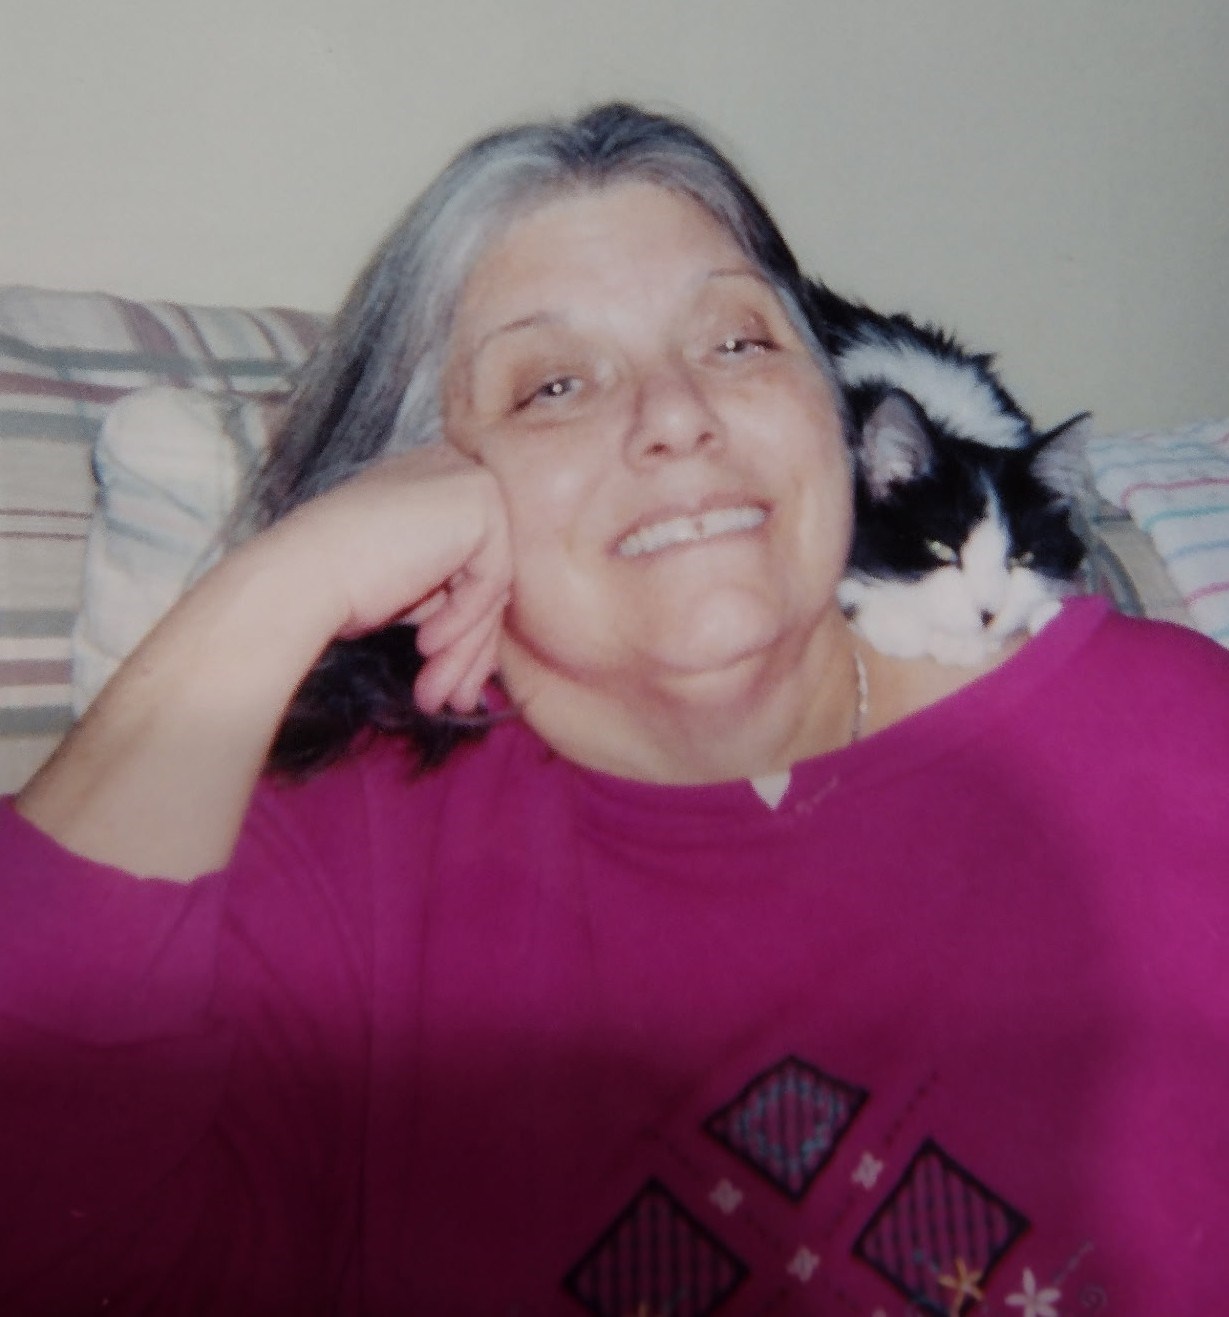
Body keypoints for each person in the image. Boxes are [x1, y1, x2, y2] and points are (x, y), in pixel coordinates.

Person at [2, 103, 1227, 1316]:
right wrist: (285, 584)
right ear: (426, 472)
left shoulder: (1165, 728)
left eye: (737, 343)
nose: (677, 413)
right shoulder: (324, 865)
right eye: (553, 386)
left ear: (830, 414)